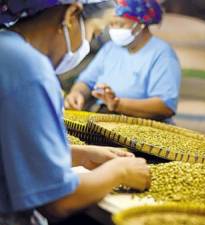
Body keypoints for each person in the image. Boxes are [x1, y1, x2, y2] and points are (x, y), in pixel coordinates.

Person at [0, 1, 150, 224]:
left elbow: (9, 147)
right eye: (93, 32)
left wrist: (75, 154)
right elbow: (59, 202)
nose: (88, 43)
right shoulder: (29, 69)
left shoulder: (6, 46)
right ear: (71, 15)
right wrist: (121, 172)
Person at [64, 0, 181, 123]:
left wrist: (118, 104)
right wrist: (77, 94)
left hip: (142, 127)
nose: (114, 30)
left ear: (141, 24)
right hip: (105, 120)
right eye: (111, 24)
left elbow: (165, 106)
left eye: (120, 24)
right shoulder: (110, 48)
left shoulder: (162, 54)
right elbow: (86, 81)